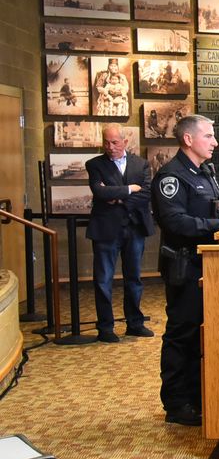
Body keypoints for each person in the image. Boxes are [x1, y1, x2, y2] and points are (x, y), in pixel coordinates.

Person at [152, 115, 219, 426]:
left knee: (200, 335)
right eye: (209, 136)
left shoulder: (204, 171)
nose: (215, 142)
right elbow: (175, 221)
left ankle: (197, 397)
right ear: (188, 140)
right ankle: (177, 403)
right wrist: (217, 224)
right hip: (184, 266)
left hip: (207, 265)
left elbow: (216, 207)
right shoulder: (172, 177)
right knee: (182, 334)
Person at [85, 123, 155, 343]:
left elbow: (145, 194)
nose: (110, 146)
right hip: (106, 229)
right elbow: (99, 191)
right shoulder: (94, 164)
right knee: (103, 280)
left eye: (114, 142)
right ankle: (105, 327)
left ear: (125, 142)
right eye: (106, 142)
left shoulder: (141, 164)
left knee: (133, 278)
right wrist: (127, 189)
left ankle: (135, 323)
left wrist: (117, 199)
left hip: (134, 228)